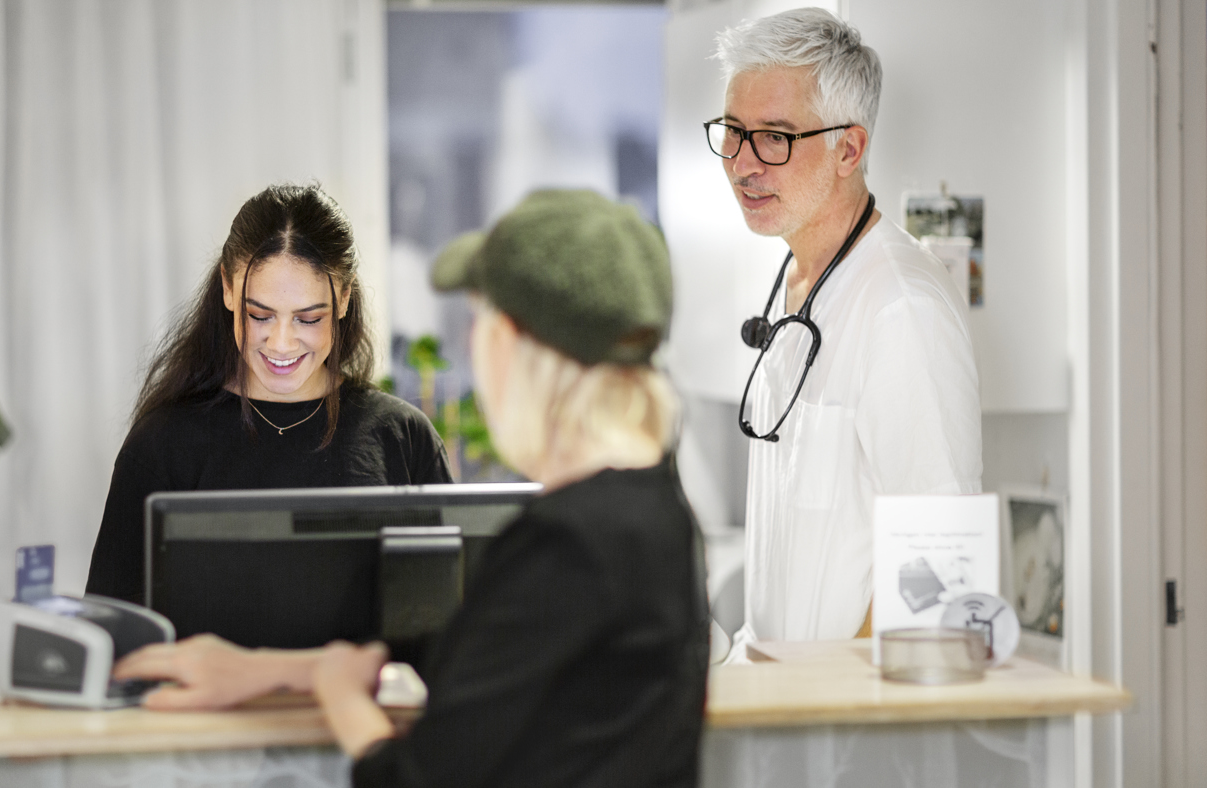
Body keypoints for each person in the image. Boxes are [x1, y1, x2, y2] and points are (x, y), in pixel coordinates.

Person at [114, 189, 711, 788]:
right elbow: (474, 661)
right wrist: (280, 670)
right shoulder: (660, 511)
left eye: (480, 321)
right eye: (262, 313)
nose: (281, 340)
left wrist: (337, 697)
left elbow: (419, 774)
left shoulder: (564, 544)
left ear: (509, 344)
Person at [705, 9, 981, 645]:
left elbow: (937, 563)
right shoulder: (797, 286)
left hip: (850, 730)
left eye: (774, 137)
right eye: (732, 131)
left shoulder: (900, 307)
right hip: (785, 710)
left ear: (848, 149)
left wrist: (829, 710)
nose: (743, 164)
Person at [86, 184, 452, 605]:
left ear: (345, 298)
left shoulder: (403, 439)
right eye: (259, 315)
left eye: (308, 318)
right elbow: (114, 631)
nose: (281, 343)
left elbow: (446, 627)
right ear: (227, 289)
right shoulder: (163, 445)